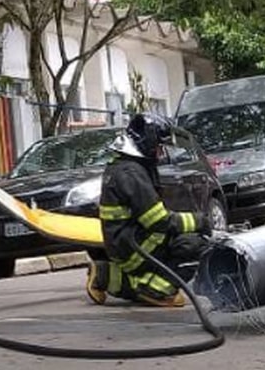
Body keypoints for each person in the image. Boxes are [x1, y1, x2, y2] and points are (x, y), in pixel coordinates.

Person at [85, 113, 212, 307]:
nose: (160, 154)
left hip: (125, 244)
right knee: (196, 246)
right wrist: (200, 222)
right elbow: (158, 221)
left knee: (177, 241)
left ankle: (104, 274)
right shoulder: (132, 172)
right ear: (148, 143)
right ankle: (156, 291)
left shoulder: (124, 166)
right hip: (134, 247)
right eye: (159, 148)